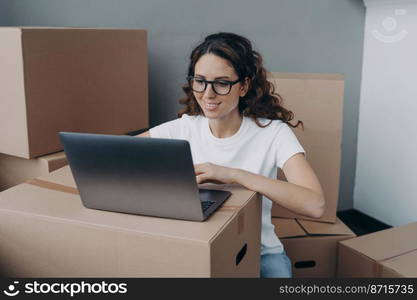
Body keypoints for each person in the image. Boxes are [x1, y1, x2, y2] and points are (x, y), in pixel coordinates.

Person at [137, 32, 325, 278]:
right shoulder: (183, 128)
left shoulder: (273, 134)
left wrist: (234, 175)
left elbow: (315, 204)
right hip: (196, 247)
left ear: (243, 86)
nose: (208, 94)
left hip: (259, 251)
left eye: (222, 83)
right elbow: (118, 156)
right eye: (200, 81)